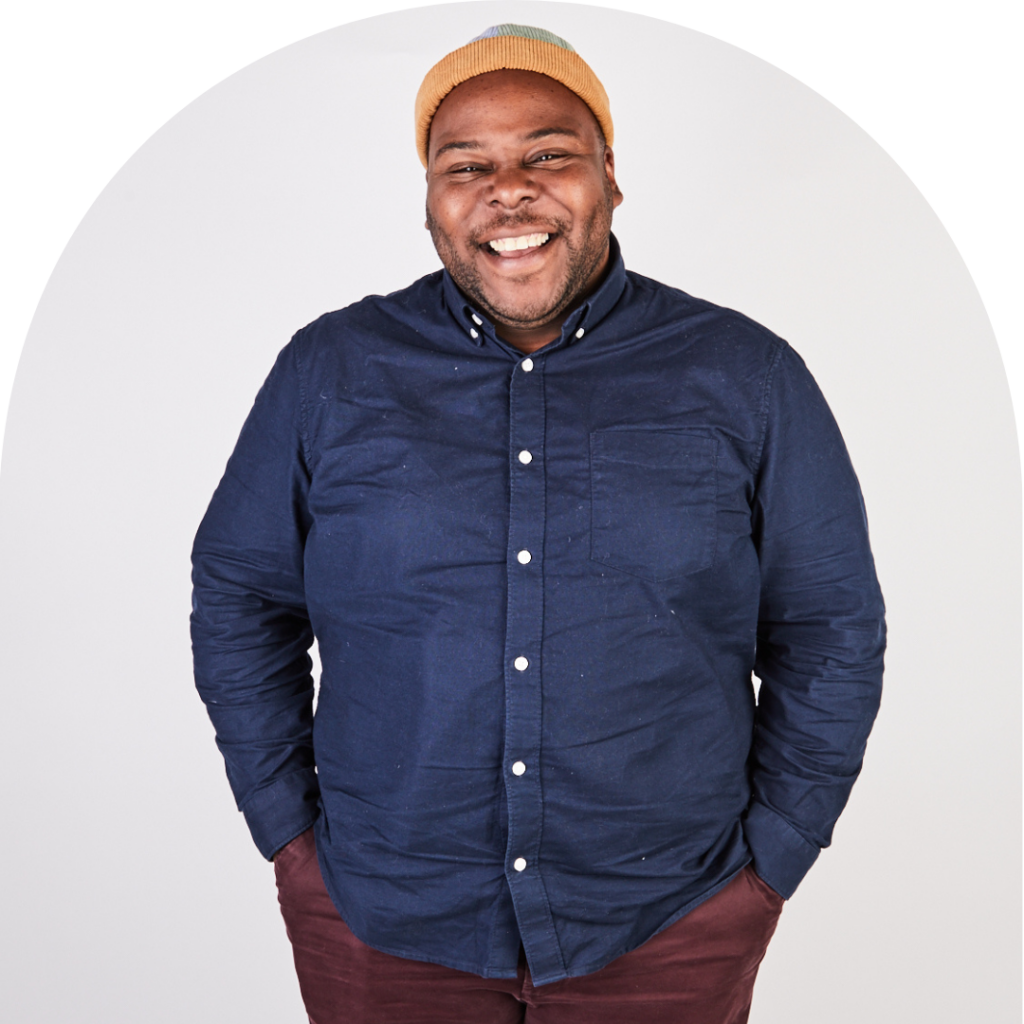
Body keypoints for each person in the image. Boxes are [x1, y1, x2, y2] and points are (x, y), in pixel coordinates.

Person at [191, 24, 886, 1024]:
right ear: (431, 199)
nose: (506, 191)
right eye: (465, 164)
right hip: (382, 919)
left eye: (548, 155)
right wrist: (289, 840)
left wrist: (770, 861)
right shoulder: (330, 372)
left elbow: (830, 628)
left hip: (666, 922)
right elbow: (240, 597)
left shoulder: (748, 376)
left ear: (608, 174)